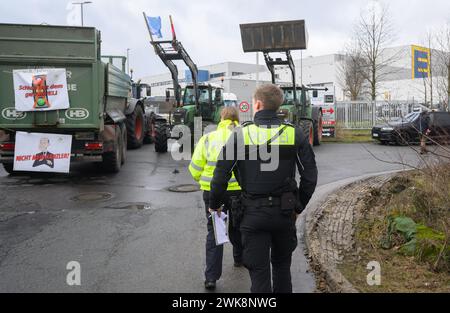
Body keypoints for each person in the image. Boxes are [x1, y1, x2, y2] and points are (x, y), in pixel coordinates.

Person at [209, 84, 318, 293]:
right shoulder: (294, 134)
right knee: (282, 269)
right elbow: (310, 177)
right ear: (278, 106)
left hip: (252, 216)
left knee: (259, 274)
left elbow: (220, 176)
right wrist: (298, 206)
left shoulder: (240, 135)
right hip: (284, 214)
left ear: (257, 104)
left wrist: (215, 205)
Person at [189, 106, 244, 291]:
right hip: (238, 192)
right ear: (237, 119)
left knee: (215, 232)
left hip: (213, 193)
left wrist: (204, 182)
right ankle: (239, 259)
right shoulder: (244, 138)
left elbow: (195, 168)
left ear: (221, 118)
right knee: (237, 227)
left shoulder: (208, 138)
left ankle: (211, 278)